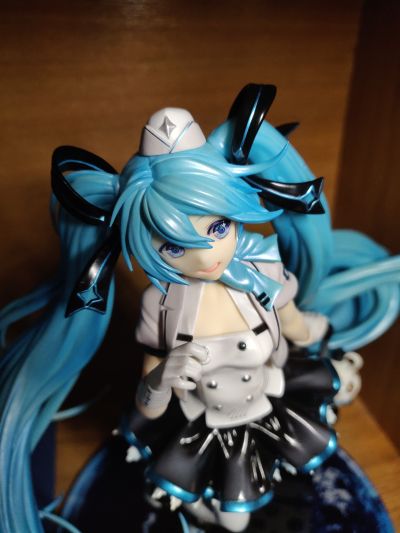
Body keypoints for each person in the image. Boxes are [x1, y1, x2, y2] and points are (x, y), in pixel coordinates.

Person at [0, 84, 398, 533]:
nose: (206, 256)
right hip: (205, 421)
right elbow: (149, 407)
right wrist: (162, 378)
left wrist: (330, 342)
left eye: (219, 227)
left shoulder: (262, 270)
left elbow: (297, 327)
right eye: (173, 246)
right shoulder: (163, 305)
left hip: (266, 398)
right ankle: (193, 505)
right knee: (232, 522)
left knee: (300, 467)